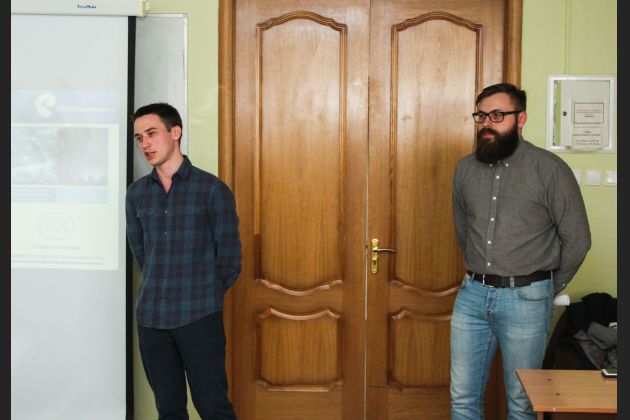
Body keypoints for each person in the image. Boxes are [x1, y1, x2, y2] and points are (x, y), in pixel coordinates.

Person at [449, 83, 591, 419]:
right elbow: (463, 232)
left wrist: (546, 288)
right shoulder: (465, 170)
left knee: (522, 402)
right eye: (482, 115)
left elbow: (577, 239)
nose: (487, 122)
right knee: (462, 398)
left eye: (498, 115)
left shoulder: (550, 169)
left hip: (527, 298)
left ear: (521, 119)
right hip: (472, 296)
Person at [125, 103, 241, 420]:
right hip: (151, 319)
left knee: (213, 406)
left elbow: (230, 259)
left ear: (175, 132)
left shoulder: (212, 190)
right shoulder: (136, 194)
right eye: (139, 138)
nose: (145, 144)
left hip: (198, 316)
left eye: (151, 133)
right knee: (169, 409)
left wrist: (204, 294)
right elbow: (141, 253)